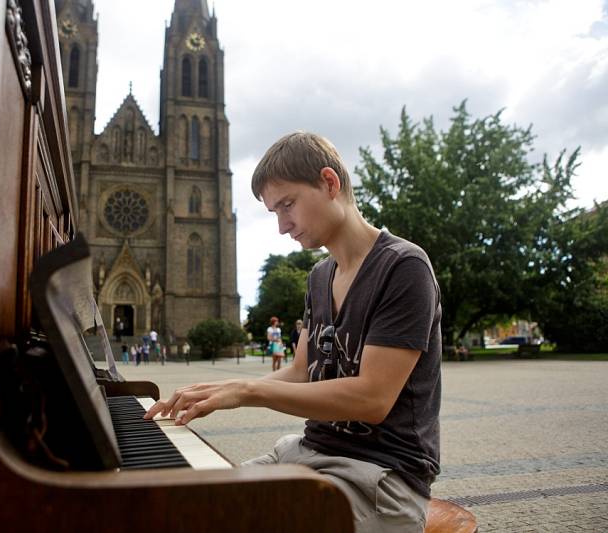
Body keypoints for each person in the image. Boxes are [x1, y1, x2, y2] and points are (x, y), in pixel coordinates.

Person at [145, 131, 441, 532]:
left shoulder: (404, 266)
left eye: (288, 205)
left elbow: (372, 398)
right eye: (274, 213)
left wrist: (248, 392)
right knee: (182, 506)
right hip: (304, 454)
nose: (283, 226)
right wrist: (219, 389)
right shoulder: (319, 276)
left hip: (381, 480)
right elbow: (301, 371)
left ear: (330, 183)